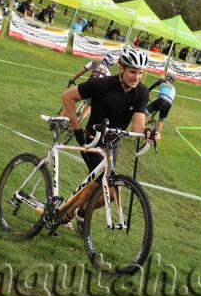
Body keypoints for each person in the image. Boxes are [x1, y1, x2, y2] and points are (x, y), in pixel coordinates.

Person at [61, 48, 157, 223]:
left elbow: (138, 124)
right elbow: (67, 97)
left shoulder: (141, 92)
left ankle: (81, 214)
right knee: (98, 182)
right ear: (121, 68)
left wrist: (147, 133)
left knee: (112, 192)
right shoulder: (103, 84)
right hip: (92, 140)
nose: (137, 77)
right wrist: (77, 129)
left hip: (113, 144)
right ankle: (66, 215)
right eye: (133, 72)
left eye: (141, 73)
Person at [66, 54, 117, 120]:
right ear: (110, 64)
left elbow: (82, 71)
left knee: (71, 99)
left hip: (89, 85)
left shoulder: (94, 62)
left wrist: (73, 78)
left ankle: (58, 119)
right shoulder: (109, 74)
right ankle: (79, 122)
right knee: (89, 106)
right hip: (98, 90)